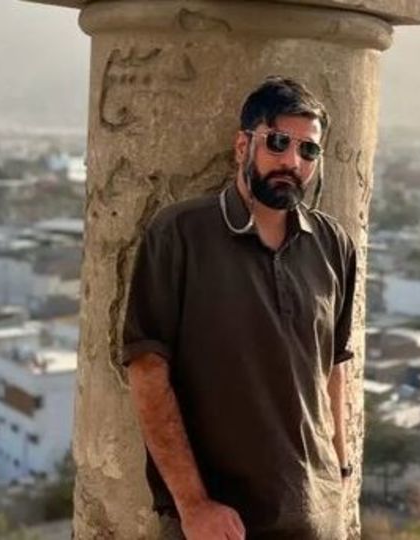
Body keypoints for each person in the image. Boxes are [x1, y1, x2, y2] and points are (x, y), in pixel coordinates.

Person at [123, 76, 358, 539]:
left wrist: (342, 468)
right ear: (242, 145)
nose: (292, 162)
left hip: (316, 515)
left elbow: (334, 365)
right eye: (278, 142)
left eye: (308, 150)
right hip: (220, 524)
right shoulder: (180, 234)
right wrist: (194, 506)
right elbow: (148, 372)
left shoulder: (333, 244)